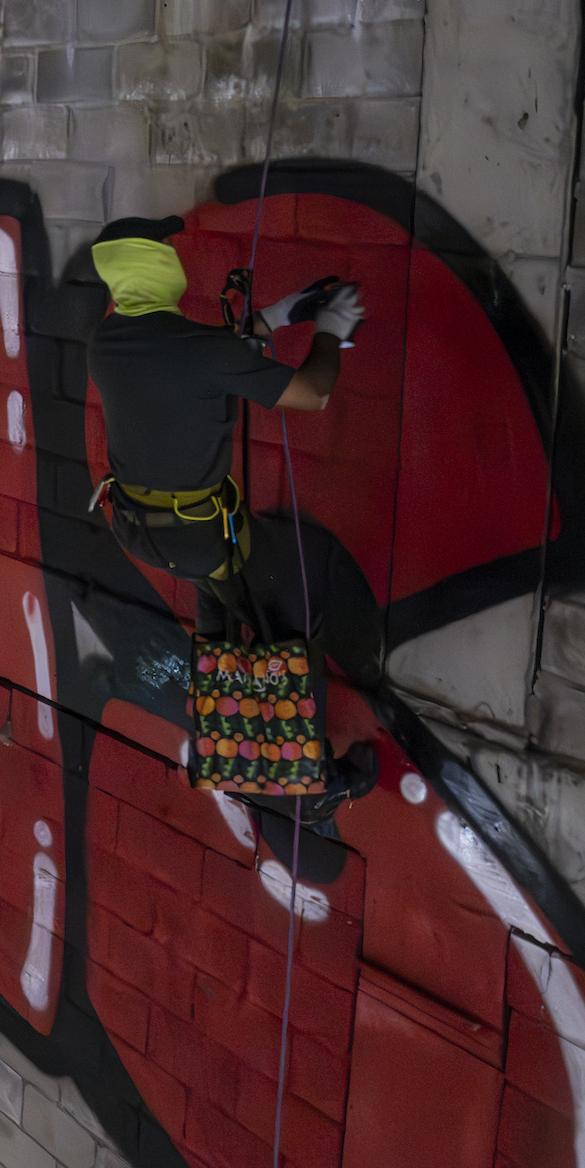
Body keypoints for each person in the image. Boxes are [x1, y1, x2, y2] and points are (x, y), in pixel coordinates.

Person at [86, 214, 380, 808]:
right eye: (166, 247)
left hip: (142, 531)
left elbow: (200, 362)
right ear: (156, 265)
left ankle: (225, 749)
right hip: (203, 539)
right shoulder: (199, 351)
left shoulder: (107, 343)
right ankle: (315, 780)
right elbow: (311, 393)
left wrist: (279, 314)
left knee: (222, 624)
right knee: (296, 611)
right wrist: (329, 329)